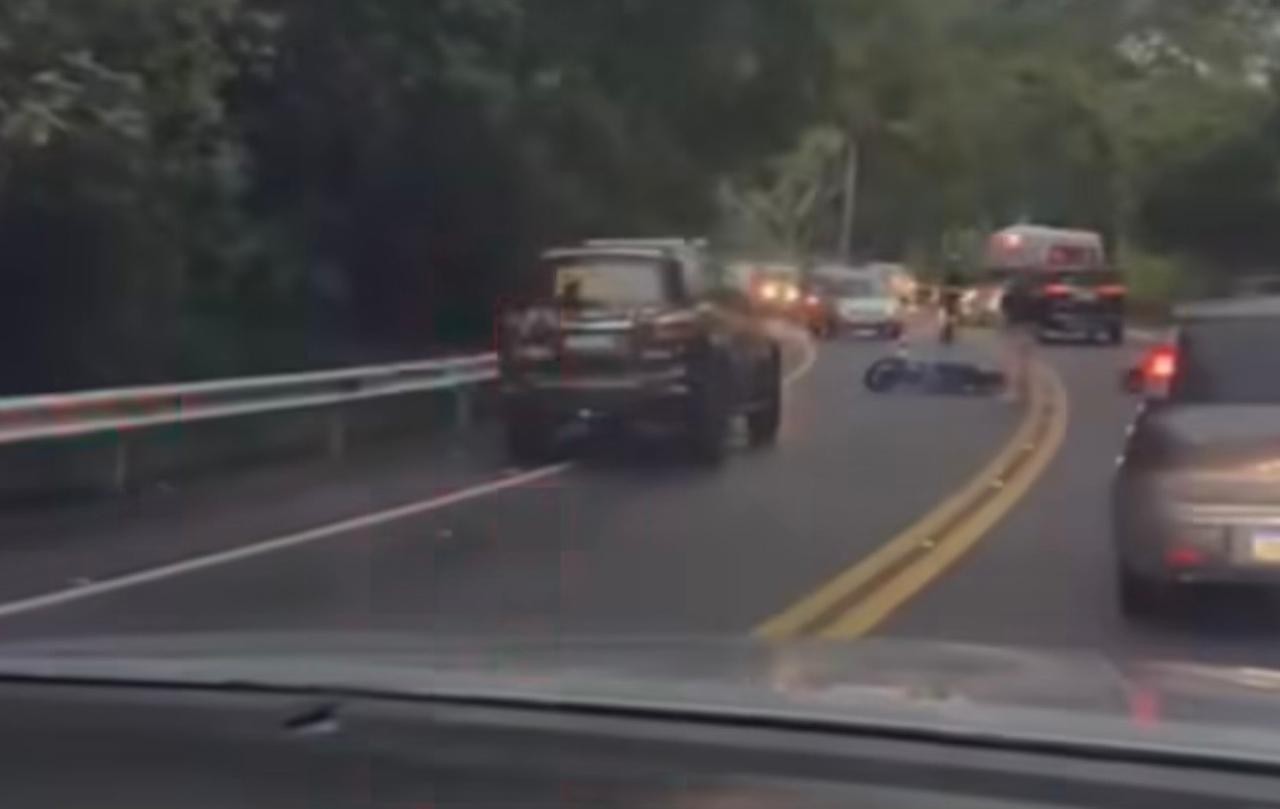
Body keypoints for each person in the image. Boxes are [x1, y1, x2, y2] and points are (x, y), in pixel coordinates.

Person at [998, 276, 1038, 403]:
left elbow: (1004, 312)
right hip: (1030, 329)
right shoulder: (1033, 297)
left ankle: (1012, 391)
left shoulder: (1009, 297)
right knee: (1025, 362)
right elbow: (1040, 313)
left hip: (1014, 329)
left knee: (1012, 362)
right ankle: (1025, 392)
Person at [939, 269, 964, 345]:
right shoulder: (956, 289)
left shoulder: (946, 288)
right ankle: (948, 335)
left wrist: (942, 303)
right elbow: (959, 297)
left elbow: (942, 297)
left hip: (946, 307)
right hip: (952, 307)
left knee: (945, 322)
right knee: (951, 321)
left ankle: (944, 335)